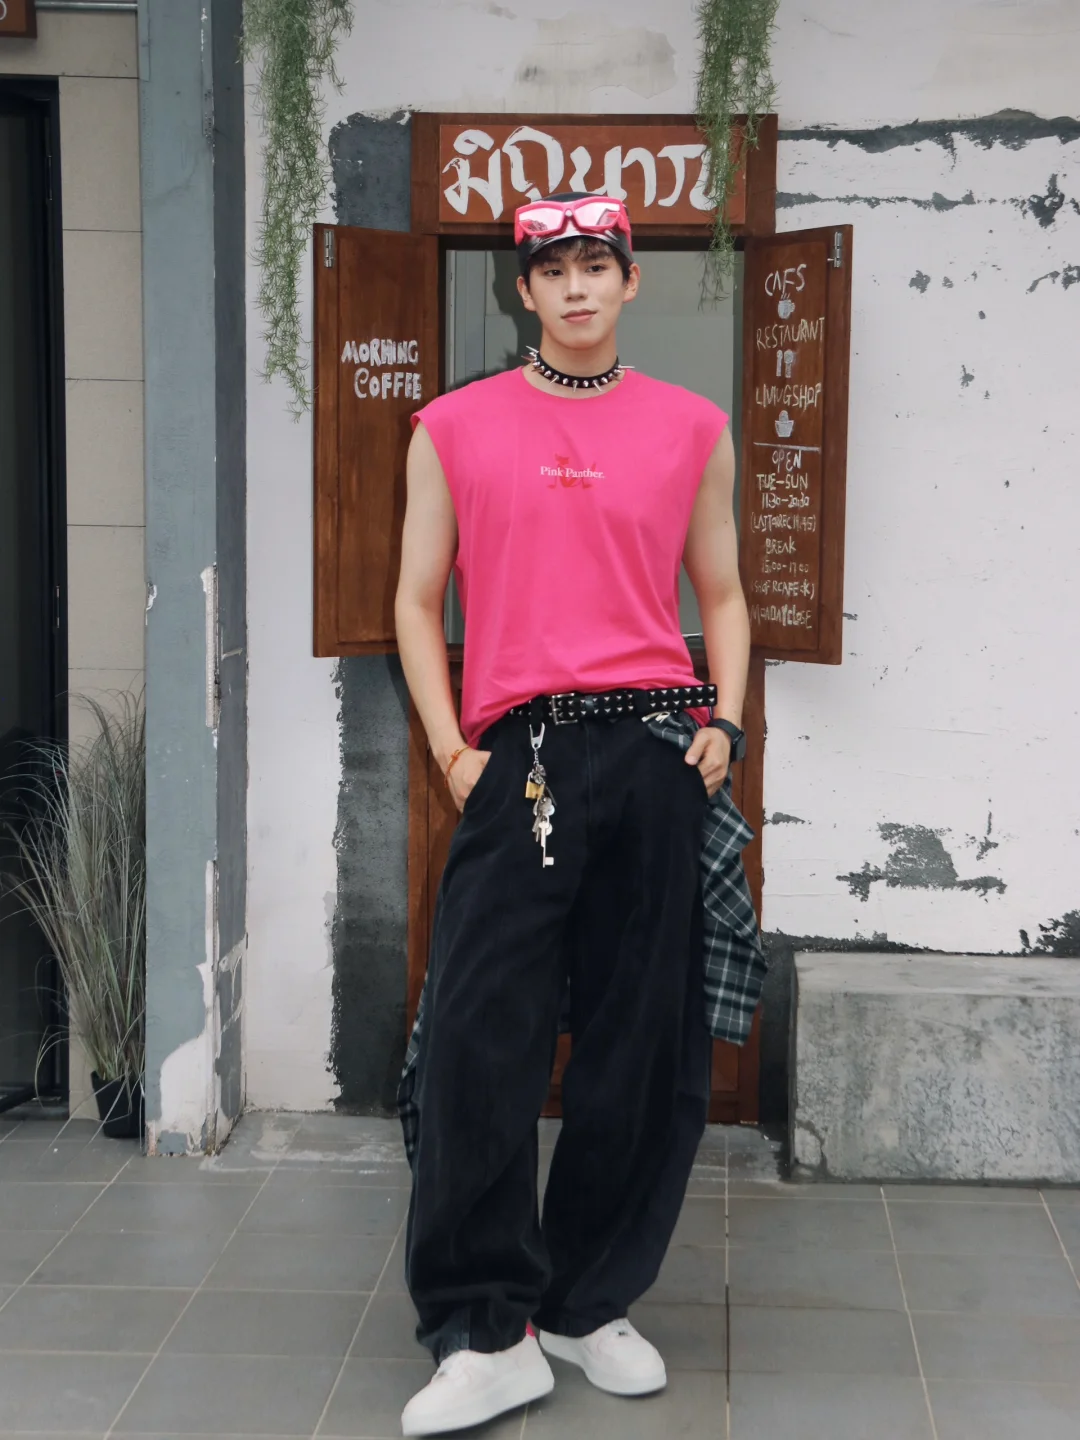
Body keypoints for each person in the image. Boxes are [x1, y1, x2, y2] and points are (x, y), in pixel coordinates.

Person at [393, 192, 755, 1437]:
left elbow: (723, 591)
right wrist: (452, 751)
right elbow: (414, 600)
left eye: (599, 265)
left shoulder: (692, 427)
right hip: (520, 758)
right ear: (525, 291)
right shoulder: (452, 426)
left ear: (631, 282)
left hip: (654, 753)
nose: (579, 287)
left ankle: (591, 1300)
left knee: (641, 1041)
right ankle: (485, 1327)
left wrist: (724, 724)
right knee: (477, 1039)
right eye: (555, 270)